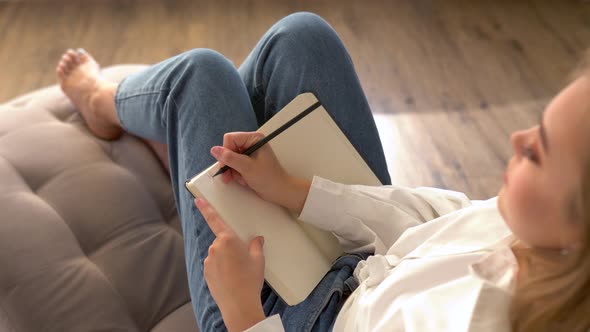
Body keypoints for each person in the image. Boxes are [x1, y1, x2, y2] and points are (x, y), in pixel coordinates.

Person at [55, 12, 589, 332]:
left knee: (200, 76)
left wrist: (242, 309)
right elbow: (430, 216)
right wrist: (295, 192)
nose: (517, 139)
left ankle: (104, 104)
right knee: (301, 39)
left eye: (538, 151)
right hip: (365, 263)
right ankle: (196, 152)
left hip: (285, 320)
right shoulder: (527, 230)